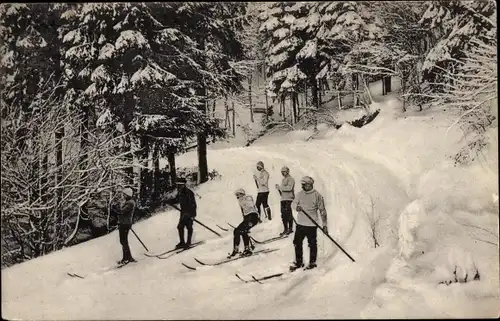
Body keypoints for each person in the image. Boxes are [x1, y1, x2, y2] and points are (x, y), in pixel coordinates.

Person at [290, 176, 328, 271]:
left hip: (312, 224)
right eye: (302, 184)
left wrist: (325, 225)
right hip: (300, 224)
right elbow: (293, 204)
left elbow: (322, 211)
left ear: (310, 184)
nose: (302, 186)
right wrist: (296, 207)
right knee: (297, 242)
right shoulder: (300, 194)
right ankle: (299, 262)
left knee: (312, 244)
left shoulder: (317, 195)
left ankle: (312, 262)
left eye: (304, 184)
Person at [228, 188, 260, 258]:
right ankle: (236, 249)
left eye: (238, 194)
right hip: (248, 218)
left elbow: (251, 206)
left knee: (243, 231)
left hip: (253, 217)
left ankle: (247, 249)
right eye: (236, 195)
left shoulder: (247, 198)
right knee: (237, 231)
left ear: (242, 194)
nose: (237, 197)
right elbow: (244, 213)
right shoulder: (241, 202)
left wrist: (244, 202)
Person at [175, 177, 197, 249]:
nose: (178, 187)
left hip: (189, 213)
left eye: (180, 185)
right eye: (177, 185)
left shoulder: (189, 193)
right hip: (183, 213)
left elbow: (193, 204)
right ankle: (182, 242)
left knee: (189, 227)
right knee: (180, 227)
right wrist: (168, 201)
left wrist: (193, 215)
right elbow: (176, 200)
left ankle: (188, 243)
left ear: (184, 185)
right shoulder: (180, 192)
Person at [117, 187, 136, 265]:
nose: (123, 196)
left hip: (125, 223)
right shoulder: (128, 202)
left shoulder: (130, 203)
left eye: (124, 194)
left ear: (128, 195)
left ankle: (127, 258)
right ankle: (126, 257)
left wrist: (116, 207)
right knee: (123, 241)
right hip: (123, 223)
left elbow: (122, 212)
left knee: (123, 241)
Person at [275, 166, 295, 236]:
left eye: (284, 172)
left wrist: (280, 188)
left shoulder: (291, 179)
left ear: (287, 171)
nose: (283, 173)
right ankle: (285, 229)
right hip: (283, 199)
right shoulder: (283, 180)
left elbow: (289, 188)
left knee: (288, 214)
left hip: (289, 199)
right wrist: (279, 189)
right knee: (283, 215)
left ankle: (290, 229)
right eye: (282, 172)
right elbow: (282, 191)